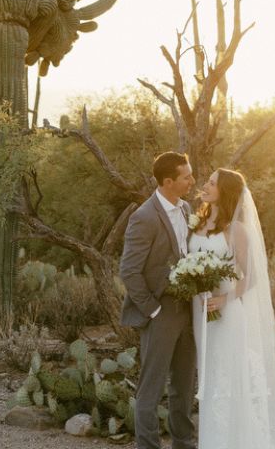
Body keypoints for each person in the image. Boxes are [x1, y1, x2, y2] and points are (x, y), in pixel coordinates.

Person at [190, 168, 275, 449]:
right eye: (208, 181)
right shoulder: (196, 222)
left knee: (228, 379)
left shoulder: (237, 231)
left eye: (212, 183)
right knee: (210, 381)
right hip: (200, 314)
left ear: (226, 191)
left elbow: (252, 276)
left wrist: (225, 298)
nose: (206, 185)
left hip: (227, 315)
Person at [119, 151, 198, 449]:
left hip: (188, 310)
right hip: (160, 312)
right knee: (150, 390)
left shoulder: (187, 208)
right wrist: (152, 309)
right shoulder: (144, 217)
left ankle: (183, 444)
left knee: (184, 386)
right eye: (186, 177)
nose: (192, 181)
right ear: (168, 181)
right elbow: (129, 270)